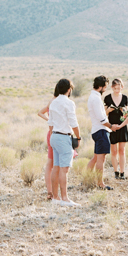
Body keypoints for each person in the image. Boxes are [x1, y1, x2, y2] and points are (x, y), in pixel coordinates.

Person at [48, 78, 82, 207]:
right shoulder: (69, 103)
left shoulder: (53, 102)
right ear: (69, 90)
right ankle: (65, 198)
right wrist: (78, 138)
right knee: (64, 169)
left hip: (55, 136)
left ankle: (55, 197)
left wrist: (53, 136)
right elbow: (73, 123)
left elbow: (50, 123)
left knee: (56, 167)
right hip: (64, 137)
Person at [85, 75, 114, 190]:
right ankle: (100, 183)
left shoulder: (93, 96)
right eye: (105, 87)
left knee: (96, 158)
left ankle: (86, 179)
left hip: (97, 130)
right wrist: (112, 127)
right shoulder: (95, 98)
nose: (106, 89)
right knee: (101, 158)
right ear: (101, 86)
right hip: (101, 130)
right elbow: (102, 119)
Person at [104, 78, 128, 180]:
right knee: (114, 151)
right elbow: (103, 114)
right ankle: (116, 172)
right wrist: (108, 110)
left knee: (122, 151)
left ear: (122, 87)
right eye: (115, 88)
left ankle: (122, 172)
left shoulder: (125, 98)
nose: (117, 90)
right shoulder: (107, 98)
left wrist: (124, 110)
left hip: (122, 126)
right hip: (111, 126)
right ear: (112, 87)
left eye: (119, 88)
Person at [37, 94, 56, 200]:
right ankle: (51, 192)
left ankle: (51, 191)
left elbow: (40, 113)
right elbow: (40, 113)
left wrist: (49, 120)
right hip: (54, 134)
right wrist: (49, 121)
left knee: (51, 163)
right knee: (52, 164)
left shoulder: (51, 101)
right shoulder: (55, 101)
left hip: (52, 133)